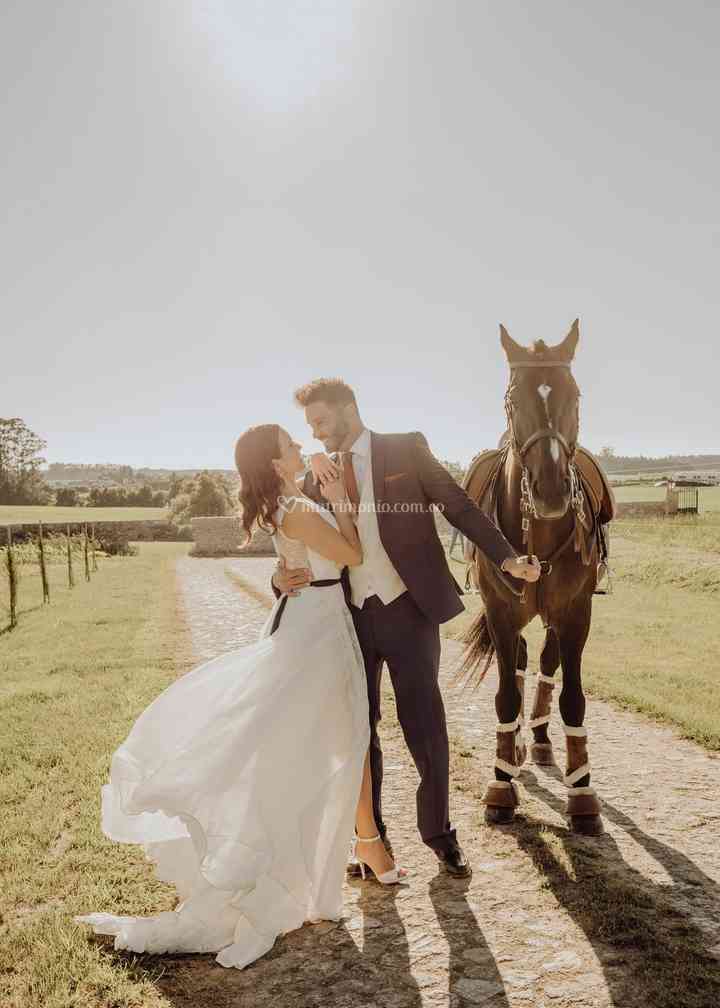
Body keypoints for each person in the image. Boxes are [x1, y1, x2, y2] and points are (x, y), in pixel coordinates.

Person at [76, 424, 405, 971]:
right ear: (277, 463)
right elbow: (349, 554)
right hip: (316, 629)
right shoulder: (296, 506)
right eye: (291, 445)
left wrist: (288, 564)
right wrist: (344, 502)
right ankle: (355, 845)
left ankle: (360, 845)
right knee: (342, 737)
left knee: (345, 736)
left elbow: (306, 560)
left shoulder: (288, 502)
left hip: (316, 619)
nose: (301, 446)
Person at [272, 379, 541, 879]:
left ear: (349, 410)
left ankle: (440, 836)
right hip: (346, 617)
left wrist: (506, 557)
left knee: (425, 727)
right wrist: (277, 578)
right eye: (309, 427)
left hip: (409, 610)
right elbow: (296, 544)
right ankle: (370, 840)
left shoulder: (404, 448)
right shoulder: (314, 476)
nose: (315, 434)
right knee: (358, 730)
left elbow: (459, 507)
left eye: (322, 422)